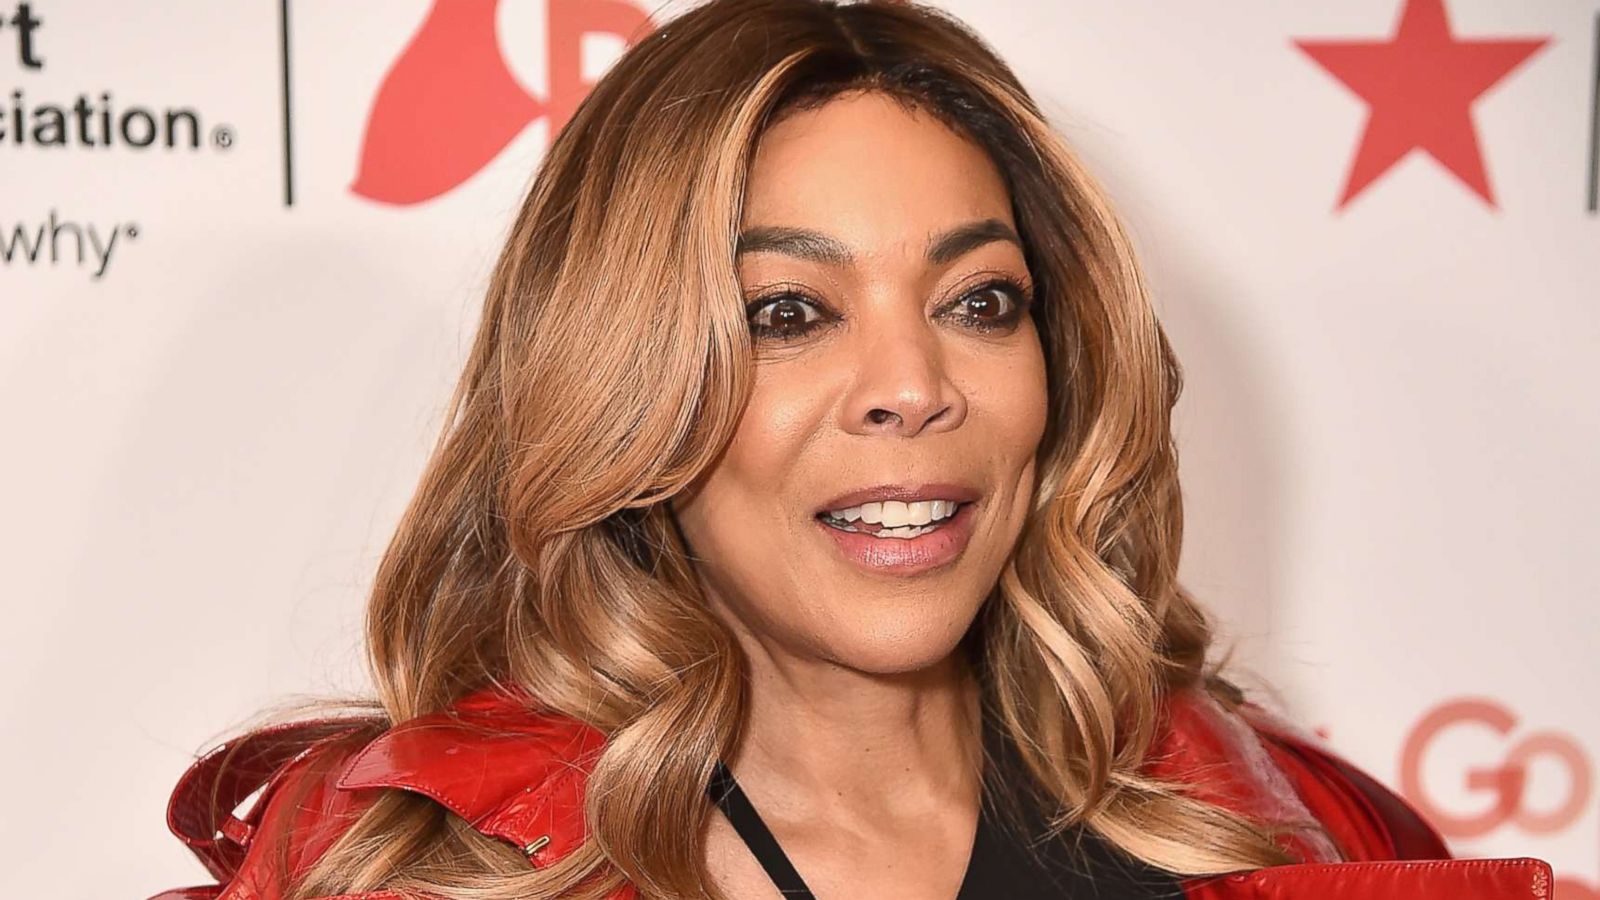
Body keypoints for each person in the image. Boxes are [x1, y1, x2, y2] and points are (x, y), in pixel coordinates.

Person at [150, 1, 1552, 898]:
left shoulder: (1270, 829)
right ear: (625, 380)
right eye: (790, 313)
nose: (912, 385)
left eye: (979, 302)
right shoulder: (410, 867)